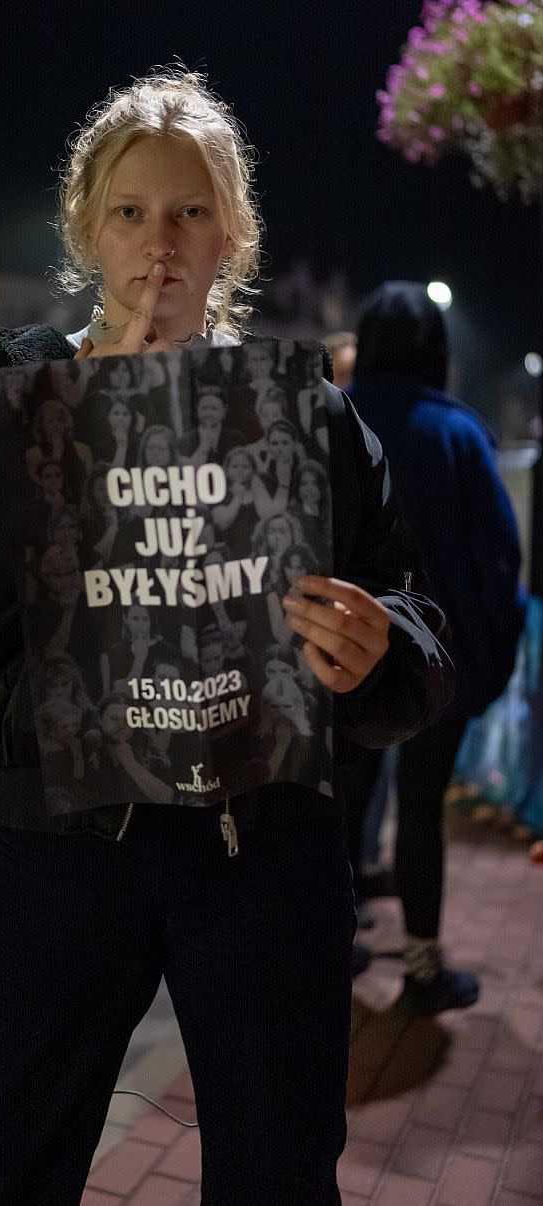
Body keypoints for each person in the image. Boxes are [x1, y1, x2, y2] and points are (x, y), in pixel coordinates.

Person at [0, 70, 453, 1206]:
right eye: (129, 211)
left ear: (232, 233)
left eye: (188, 212)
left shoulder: (302, 412)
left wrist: (383, 652)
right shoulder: (14, 387)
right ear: (87, 226)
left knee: (277, 1173)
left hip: (264, 852)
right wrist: (62, 439)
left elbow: (415, 622)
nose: (159, 243)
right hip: (65, 848)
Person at [345, 280, 525, 1014]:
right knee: (421, 810)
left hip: (339, 656)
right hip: (435, 664)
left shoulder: (333, 418)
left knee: (343, 803)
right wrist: (494, 654)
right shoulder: (457, 434)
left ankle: (329, 949)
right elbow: (498, 560)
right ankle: (422, 969)